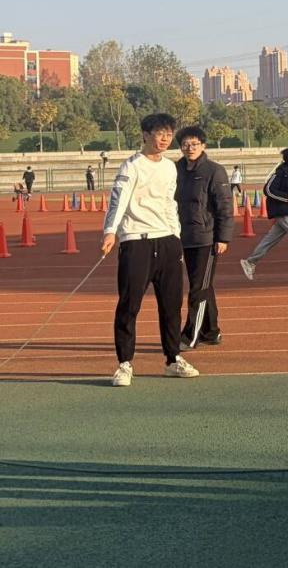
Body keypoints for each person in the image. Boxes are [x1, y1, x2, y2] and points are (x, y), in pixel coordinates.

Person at [102, 113, 198, 387]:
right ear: (145, 135)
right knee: (129, 305)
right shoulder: (132, 166)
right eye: (159, 133)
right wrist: (111, 231)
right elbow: (118, 200)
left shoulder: (169, 168)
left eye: (169, 133)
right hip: (136, 241)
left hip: (167, 241)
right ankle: (125, 364)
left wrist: (176, 236)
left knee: (171, 305)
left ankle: (173, 359)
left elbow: (169, 203)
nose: (165, 138)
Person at [174, 126, 233, 351]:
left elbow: (224, 207)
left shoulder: (214, 171)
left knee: (198, 288)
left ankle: (191, 335)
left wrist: (223, 238)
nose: (190, 148)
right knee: (203, 286)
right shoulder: (175, 170)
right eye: (185, 144)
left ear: (203, 145)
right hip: (183, 236)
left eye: (194, 144)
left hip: (206, 239)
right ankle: (211, 331)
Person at [240, 147, 288, 282]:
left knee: (270, 239)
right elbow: (268, 190)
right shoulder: (281, 173)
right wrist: (287, 198)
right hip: (283, 210)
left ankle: (250, 262)